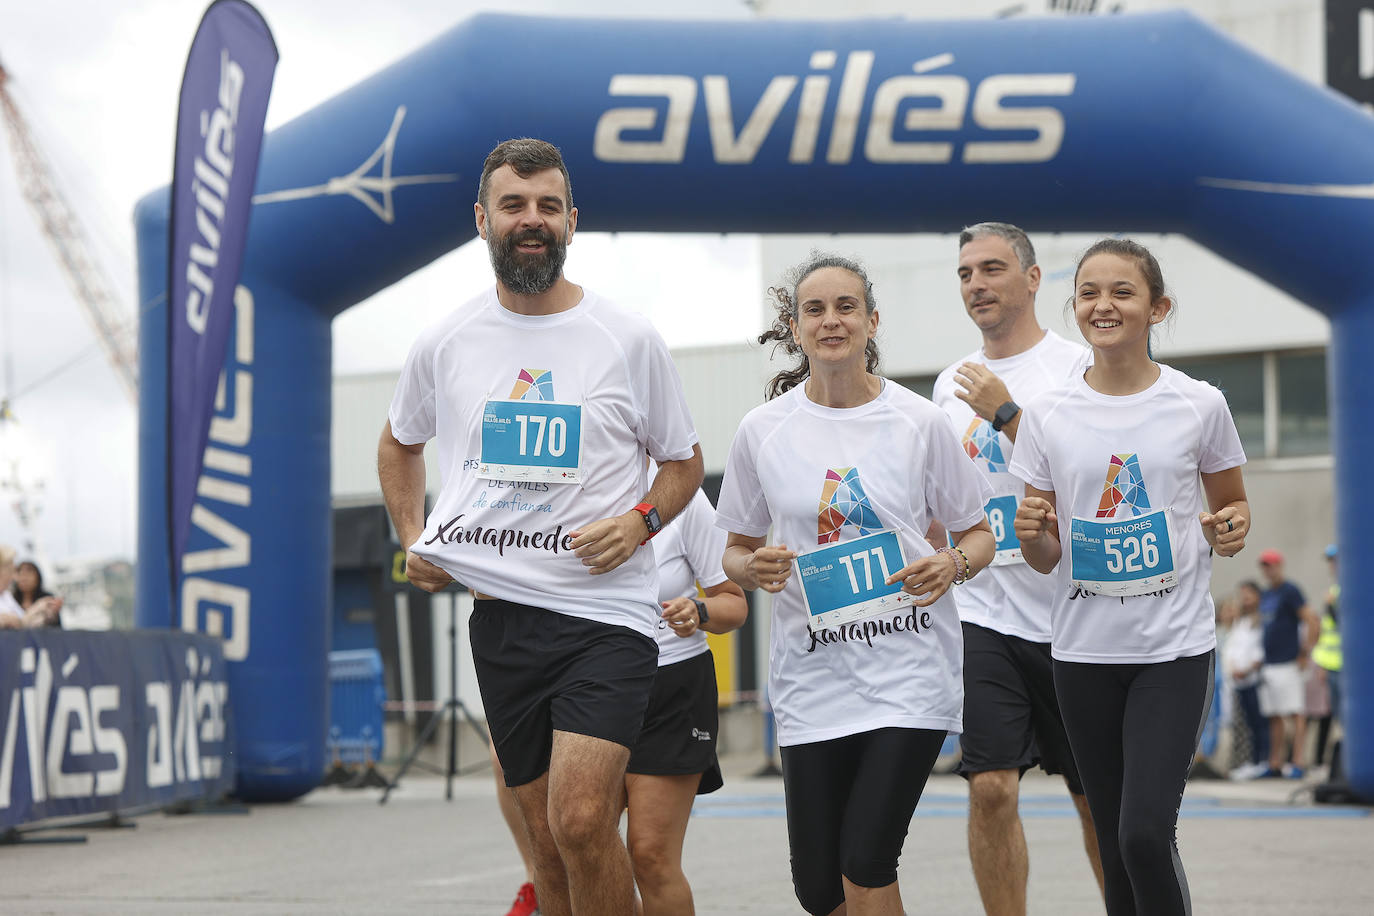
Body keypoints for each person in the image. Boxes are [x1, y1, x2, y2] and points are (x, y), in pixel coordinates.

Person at [377, 138, 704, 916]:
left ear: (572, 221)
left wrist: (639, 523)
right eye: (515, 206)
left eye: (548, 207)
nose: (533, 221)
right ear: (482, 220)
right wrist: (412, 535)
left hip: (607, 618)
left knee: (582, 818)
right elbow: (399, 441)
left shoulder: (626, 337)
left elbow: (685, 465)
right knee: (549, 854)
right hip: (500, 623)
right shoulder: (446, 341)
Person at [716, 252, 996, 916]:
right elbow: (733, 552)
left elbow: (981, 534)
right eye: (815, 309)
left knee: (866, 858)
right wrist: (751, 569)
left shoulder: (918, 421)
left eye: (846, 307)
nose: (832, 321)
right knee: (819, 890)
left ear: (872, 321)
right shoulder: (763, 430)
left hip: (908, 673)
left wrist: (952, 563)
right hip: (812, 680)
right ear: (795, 325)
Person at [1011, 238, 1250, 916]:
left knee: (1144, 834)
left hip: (1171, 652)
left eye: (1122, 292)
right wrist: (1035, 537)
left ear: (1157, 307)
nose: (1103, 305)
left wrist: (1229, 529)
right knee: (1114, 846)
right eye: (1089, 292)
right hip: (1083, 656)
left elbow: (1232, 506)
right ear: (1075, 307)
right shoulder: (1048, 416)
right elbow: (1045, 555)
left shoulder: (1199, 405)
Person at [933, 221, 1102, 915]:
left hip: (1073, 618)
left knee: (1096, 798)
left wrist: (1004, 413)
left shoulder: (1075, 367)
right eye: (967, 273)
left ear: (1033, 279)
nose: (977, 284)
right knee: (991, 786)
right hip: (983, 614)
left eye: (993, 269)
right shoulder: (949, 382)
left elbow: (1088, 472)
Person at [493, 463, 748, 916]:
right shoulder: (560, 483)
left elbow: (733, 602)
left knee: (650, 858)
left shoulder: (679, 496)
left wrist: (699, 611)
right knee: (580, 849)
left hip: (670, 685)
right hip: (591, 683)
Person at [1256, 548, 1320, 778]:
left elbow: (1311, 619)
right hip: (1270, 664)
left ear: (1279, 566)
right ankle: (1275, 763)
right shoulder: (1266, 595)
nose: (1268, 569)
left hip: (1288, 662)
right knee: (1274, 715)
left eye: (1271, 565)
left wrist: (1305, 653)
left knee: (1295, 713)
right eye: (1264, 565)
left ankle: (1298, 762)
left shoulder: (1290, 591)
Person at [1225, 581, 1269, 779]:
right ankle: (1250, 761)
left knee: (1259, 722)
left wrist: (1249, 668)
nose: (1245, 599)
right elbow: (1234, 647)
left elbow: (1260, 650)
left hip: (1254, 679)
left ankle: (1262, 761)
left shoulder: (1262, 620)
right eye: (1242, 595)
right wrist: (1234, 668)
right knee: (1247, 723)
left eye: (1249, 594)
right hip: (1238, 680)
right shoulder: (1240, 621)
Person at [1311, 544, 1342, 770]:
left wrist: (1332, 607)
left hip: (1345, 665)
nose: (1332, 565)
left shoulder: (1348, 588)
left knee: (1343, 715)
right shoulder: (1335, 589)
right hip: (1331, 664)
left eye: (1336, 560)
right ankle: (1326, 761)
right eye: (1330, 561)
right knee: (1330, 714)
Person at [11, 559, 62, 628]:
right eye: (21, 574)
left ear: (37, 578)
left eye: (28, 575)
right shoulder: (11, 599)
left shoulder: (47, 599)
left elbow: (55, 625)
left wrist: (52, 614)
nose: (24, 579)